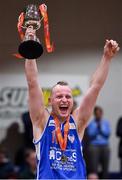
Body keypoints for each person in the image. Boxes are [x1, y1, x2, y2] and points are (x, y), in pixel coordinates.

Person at [24, 39, 119, 179]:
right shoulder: (41, 121)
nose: (64, 99)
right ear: (50, 101)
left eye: (68, 96)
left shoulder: (78, 122)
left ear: (72, 101)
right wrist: (30, 49)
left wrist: (106, 58)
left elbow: (95, 87)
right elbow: (32, 82)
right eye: (59, 96)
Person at [86, 106, 111, 179]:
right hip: (94, 147)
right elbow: (90, 134)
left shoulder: (106, 123)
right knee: (94, 167)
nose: (98, 115)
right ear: (94, 114)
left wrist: (101, 129)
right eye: (96, 113)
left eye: (99, 113)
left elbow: (107, 134)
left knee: (105, 167)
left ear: (102, 113)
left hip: (105, 146)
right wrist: (97, 128)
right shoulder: (91, 124)